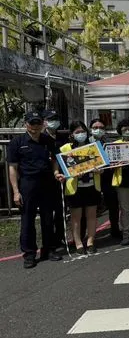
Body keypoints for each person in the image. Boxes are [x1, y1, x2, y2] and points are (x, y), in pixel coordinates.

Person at [8, 111, 64, 268]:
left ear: (42, 124)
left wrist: (56, 173)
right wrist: (16, 191)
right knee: (27, 221)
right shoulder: (17, 142)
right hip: (27, 185)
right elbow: (13, 168)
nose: (35, 126)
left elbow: (54, 160)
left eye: (38, 123)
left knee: (47, 219)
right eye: (32, 123)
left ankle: (49, 249)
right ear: (26, 124)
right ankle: (29, 254)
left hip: (47, 184)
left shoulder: (47, 140)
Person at [60, 121, 101, 254]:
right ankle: (78, 243)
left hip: (92, 185)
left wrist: (98, 170)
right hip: (75, 187)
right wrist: (72, 173)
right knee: (75, 217)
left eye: (82, 131)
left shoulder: (94, 146)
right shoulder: (65, 148)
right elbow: (63, 169)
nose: (81, 134)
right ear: (72, 134)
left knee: (91, 215)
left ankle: (90, 241)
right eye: (77, 132)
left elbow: (103, 167)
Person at [89, 118, 120, 238]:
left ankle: (115, 229)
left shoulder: (109, 142)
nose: (98, 130)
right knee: (91, 207)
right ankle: (88, 234)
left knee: (112, 204)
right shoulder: (86, 143)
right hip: (90, 179)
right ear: (90, 129)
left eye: (101, 128)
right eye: (95, 128)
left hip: (107, 177)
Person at [43, 109, 68, 248]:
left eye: (55, 119)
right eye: (50, 119)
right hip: (46, 178)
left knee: (61, 209)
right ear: (45, 122)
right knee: (47, 212)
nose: (54, 122)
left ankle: (60, 237)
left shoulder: (63, 137)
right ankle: (49, 240)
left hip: (63, 177)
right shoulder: (41, 138)